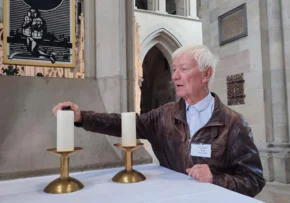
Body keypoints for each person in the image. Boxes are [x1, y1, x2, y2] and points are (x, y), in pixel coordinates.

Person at [52, 45, 265, 197]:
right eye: (173, 69)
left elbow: (254, 180)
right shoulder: (164, 115)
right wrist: (81, 117)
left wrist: (216, 179)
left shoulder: (233, 123)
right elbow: (124, 124)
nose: (175, 76)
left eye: (183, 69)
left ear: (206, 74)